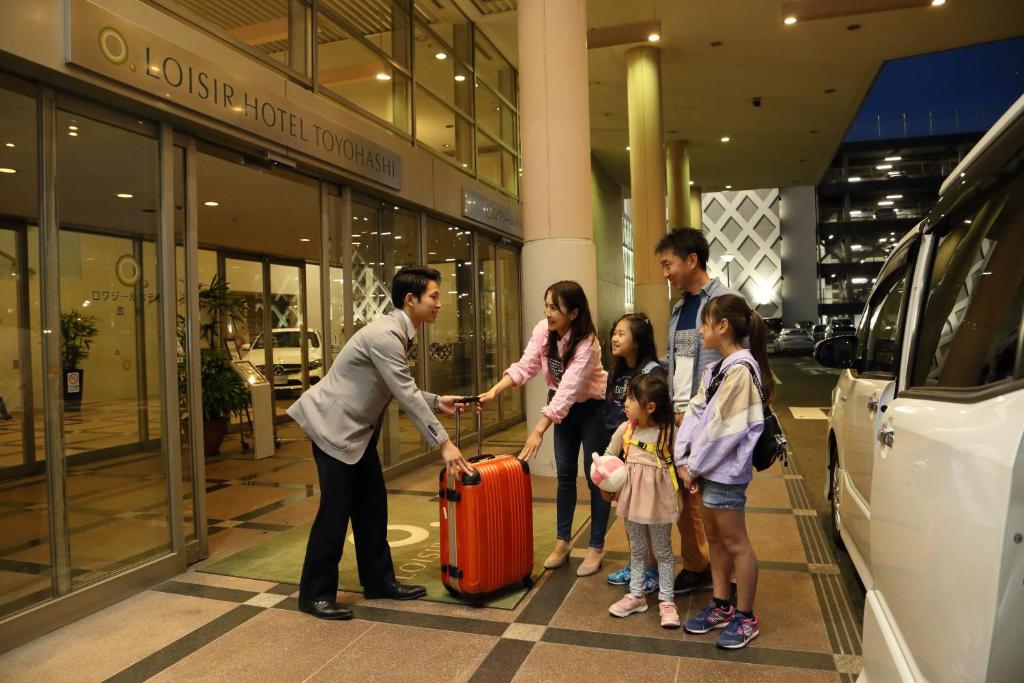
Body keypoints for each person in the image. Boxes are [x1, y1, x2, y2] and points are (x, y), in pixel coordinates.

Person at [288, 266, 473, 621]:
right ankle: (314, 594)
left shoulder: (399, 333)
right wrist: (444, 443)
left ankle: (378, 581)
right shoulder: (385, 335)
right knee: (334, 513)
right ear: (411, 299)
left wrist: (437, 401)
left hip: (356, 433)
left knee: (372, 506)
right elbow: (404, 392)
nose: (439, 303)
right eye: (434, 296)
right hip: (334, 430)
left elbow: (397, 385)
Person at [479, 281, 609, 576]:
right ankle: (562, 542)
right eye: (547, 305)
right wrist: (495, 391)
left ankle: (595, 546)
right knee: (564, 476)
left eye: (555, 307)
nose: (548, 313)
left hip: (591, 408)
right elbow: (525, 366)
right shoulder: (543, 331)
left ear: (574, 313)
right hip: (561, 409)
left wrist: (538, 429)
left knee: (596, 479)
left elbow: (569, 390)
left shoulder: (587, 342)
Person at [674, 294, 773, 649]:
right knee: (715, 538)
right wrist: (682, 459)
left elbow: (723, 432)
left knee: (735, 542)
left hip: (725, 474)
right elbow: (695, 415)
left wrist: (691, 465)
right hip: (704, 472)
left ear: (723, 326)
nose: (700, 330)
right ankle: (720, 604)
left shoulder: (741, 371)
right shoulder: (716, 369)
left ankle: (746, 616)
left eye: (705, 323)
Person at [656, 228, 741, 595]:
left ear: (692, 260)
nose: (665, 273)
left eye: (668, 264)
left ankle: (732, 579)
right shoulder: (678, 309)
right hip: (679, 421)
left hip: (712, 421)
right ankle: (697, 565)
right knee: (685, 500)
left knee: (717, 501)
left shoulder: (725, 301)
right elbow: (678, 362)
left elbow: (740, 359)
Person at [603, 373, 681, 628]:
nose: (625, 403)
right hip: (632, 500)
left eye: (631, 399)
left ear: (650, 407)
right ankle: (636, 595)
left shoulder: (669, 432)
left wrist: (689, 479)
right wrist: (605, 482)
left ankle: (667, 600)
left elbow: (683, 460)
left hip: (659, 503)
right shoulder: (626, 429)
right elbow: (608, 457)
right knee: (637, 550)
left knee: (662, 552)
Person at [602, 313, 666, 592]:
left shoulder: (651, 372)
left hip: (645, 454)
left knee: (647, 513)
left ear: (637, 341)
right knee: (630, 512)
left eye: (621, 333)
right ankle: (637, 562)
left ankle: (651, 568)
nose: (614, 338)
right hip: (625, 449)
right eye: (614, 333)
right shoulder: (618, 369)